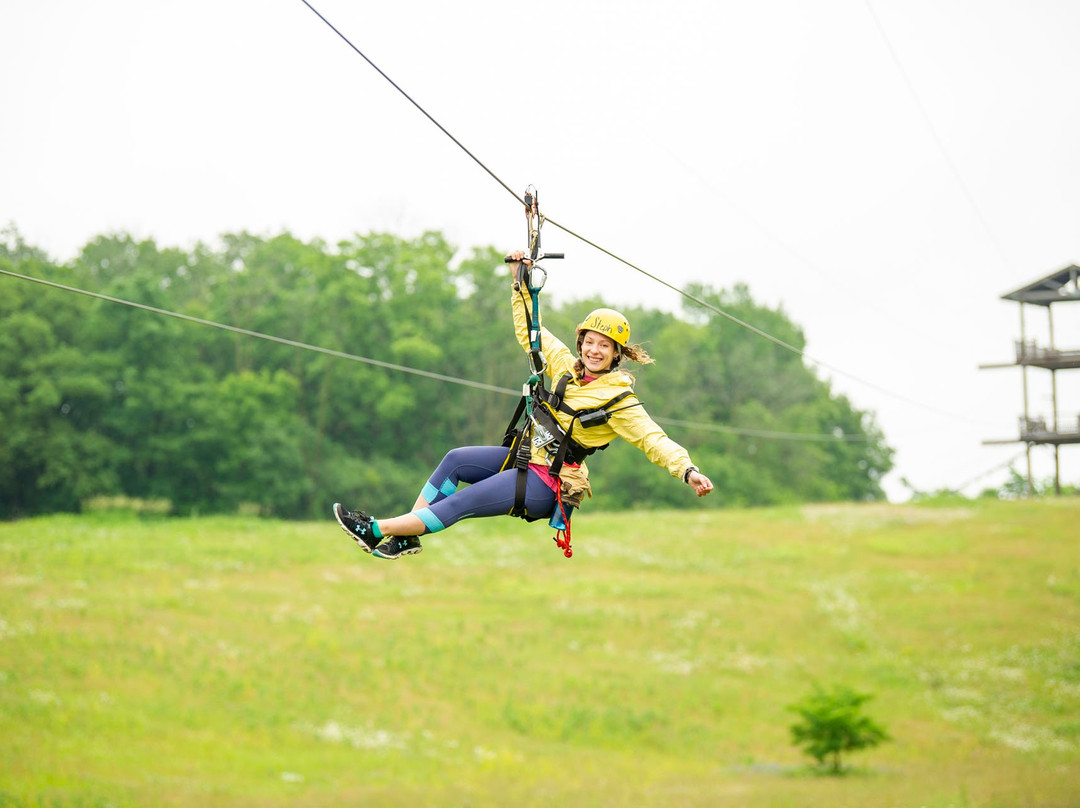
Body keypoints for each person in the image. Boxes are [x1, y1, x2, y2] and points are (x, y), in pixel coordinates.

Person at [333, 250, 714, 559]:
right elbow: (530, 332)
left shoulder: (619, 401)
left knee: (459, 503)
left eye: (604, 346)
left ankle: (377, 529)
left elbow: (653, 439)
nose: (594, 350)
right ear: (581, 342)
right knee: (454, 460)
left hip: (544, 483)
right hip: (524, 457)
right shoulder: (566, 365)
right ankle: (407, 536)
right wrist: (520, 283)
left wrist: (687, 470)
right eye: (589, 341)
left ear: (617, 354)